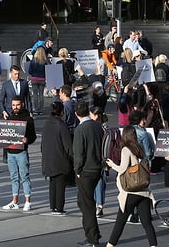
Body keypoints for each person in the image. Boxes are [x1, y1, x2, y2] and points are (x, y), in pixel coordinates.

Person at [105, 125, 158, 247]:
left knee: (120, 222)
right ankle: (154, 245)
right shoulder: (139, 148)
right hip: (143, 190)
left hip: (130, 191)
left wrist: (112, 165)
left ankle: (110, 245)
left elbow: (123, 169)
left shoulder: (126, 150)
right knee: (147, 223)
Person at [73, 101, 104, 247]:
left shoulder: (80, 130)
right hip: (97, 167)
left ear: (76, 114)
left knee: (87, 204)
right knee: (84, 201)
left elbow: (79, 153)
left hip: (86, 170)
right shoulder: (97, 126)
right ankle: (93, 234)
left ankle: (92, 237)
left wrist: (77, 170)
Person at [2, 96, 37, 211]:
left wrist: (27, 140)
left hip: (21, 152)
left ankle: (28, 201)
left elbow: (33, 136)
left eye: (17, 105)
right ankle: (15, 201)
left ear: (22, 104)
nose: (15, 107)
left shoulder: (28, 119)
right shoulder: (10, 117)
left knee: (24, 176)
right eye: (13, 105)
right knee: (14, 177)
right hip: (11, 152)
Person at [41, 101, 73, 215]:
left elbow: (42, 143)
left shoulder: (46, 124)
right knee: (60, 185)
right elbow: (68, 145)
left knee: (52, 183)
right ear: (62, 112)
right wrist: (72, 158)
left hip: (48, 158)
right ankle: (59, 207)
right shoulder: (61, 125)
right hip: (60, 159)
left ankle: (53, 206)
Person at [29, 47, 48, 115]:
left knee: (35, 94)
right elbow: (47, 71)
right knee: (41, 94)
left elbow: (30, 71)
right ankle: (41, 109)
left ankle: (36, 109)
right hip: (42, 79)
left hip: (34, 79)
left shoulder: (33, 61)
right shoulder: (45, 62)